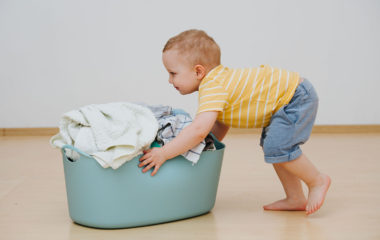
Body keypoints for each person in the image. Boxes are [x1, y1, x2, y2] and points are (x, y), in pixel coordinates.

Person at [139, 29, 331, 215]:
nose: (169, 80)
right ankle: (295, 197)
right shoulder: (218, 81)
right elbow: (221, 122)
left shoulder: (212, 85)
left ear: (198, 71)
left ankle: (317, 181)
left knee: (278, 147)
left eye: (173, 73)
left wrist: (164, 153)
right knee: (274, 148)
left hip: (295, 97)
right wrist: (206, 147)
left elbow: (198, 130)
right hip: (287, 97)